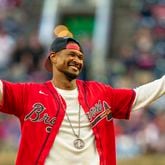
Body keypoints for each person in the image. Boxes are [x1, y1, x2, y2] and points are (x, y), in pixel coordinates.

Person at [0, 36, 164, 165]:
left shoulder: (100, 92)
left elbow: (138, 96)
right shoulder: (29, 93)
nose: (77, 60)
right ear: (54, 57)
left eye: (80, 57)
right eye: (71, 54)